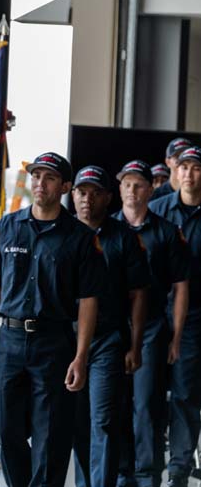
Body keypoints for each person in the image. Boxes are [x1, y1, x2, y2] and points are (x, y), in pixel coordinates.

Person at [0, 152, 106, 487]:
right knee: (5, 428)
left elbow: (89, 301)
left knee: (51, 436)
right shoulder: (7, 226)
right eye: (36, 176)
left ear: (64, 186)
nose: (40, 183)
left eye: (49, 178)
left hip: (54, 344)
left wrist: (81, 356)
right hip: (8, 342)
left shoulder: (79, 237)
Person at [69, 165, 150, 487]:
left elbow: (139, 294)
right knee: (77, 422)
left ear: (107, 197)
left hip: (108, 341)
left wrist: (135, 344)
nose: (87, 199)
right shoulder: (64, 233)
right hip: (67, 341)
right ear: (72, 195)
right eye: (81, 192)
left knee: (103, 420)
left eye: (95, 193)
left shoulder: (124, 238)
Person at [113, 160, 189, 487]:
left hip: (153, 329)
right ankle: (121, 472)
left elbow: (181, 285)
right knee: (115, 404)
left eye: (139, 184)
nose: (132, 190)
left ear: (151, 189)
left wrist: (176, 338)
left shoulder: (166, 231)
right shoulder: (107, 228)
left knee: (146, 406)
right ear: (119, 189)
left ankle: (146, 476)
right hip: (113, 329)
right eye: (126, 184)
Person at [149, 146, 201, 487]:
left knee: (185, 393)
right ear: (174, 171)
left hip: (196, 315)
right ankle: (149, 465)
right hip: (152, 314)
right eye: (184, 167)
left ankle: (179, 469)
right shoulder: (157, 210)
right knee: (147, 393)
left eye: (196, 168)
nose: (189, 174)